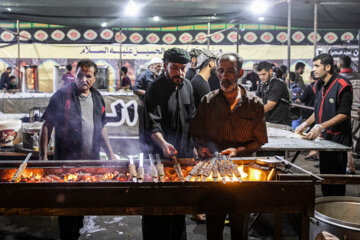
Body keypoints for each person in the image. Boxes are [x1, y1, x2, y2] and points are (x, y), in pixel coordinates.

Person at [189, 52, 268, 240]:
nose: (225, 76)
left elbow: (259, 140)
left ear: (240, 72)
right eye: (221, 71)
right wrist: (201, 147)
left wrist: (238, 150)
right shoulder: (208, 102)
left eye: (230, 71)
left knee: (240, 229)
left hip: (242, 176)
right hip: (214, 176)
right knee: (214, 228)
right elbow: (197, 133)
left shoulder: (254, 104)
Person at [40, 59, 116, 240]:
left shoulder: (98, 97)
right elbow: (47, 125)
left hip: (90, 162)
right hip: (66, 161)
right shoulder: (61, 95)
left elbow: (102, 127)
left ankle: (77, 231)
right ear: (75, 75)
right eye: (80, 75)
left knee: (82, 203)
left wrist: (111, 154)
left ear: (95, 79)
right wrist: (43, 156)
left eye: (88, 76)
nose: (83, 79)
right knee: (66, 207)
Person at [142, 48, 195, 240]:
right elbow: (153, 125)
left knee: (178, 205)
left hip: (181, 157)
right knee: (156, 208)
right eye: (175, 68)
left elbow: (192, 117)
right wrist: (164, 144)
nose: (180, 73)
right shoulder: (154, 90)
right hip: (157, 157)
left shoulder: (187, 85)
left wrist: (195, 145)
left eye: (183, 68)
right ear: (165, 66)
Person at [295, 53, 352, 196]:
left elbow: (344, 113)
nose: (313, 69)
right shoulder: (318, 85)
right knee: (325, 176)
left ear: (327, 67)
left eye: (316, 66)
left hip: (338, 139)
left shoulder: (343, 85)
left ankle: (337, 209)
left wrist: (321, 126)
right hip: (324, 139)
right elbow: (318, 110)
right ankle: (326, 204)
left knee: (336, 180)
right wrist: (306, 124)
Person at [133, 57, 163, 153]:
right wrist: (148, 93)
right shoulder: (143, 76)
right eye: (158, 66)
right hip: (143, 107)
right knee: (144, 129)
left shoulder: (159, 76)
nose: (160, 68)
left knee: (154, 128)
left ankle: (153, 149)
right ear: (151, 66)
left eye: (161, 66)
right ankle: (144, 151)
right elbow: (135, 90)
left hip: (155, 108)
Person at [337, 55, 359, 174]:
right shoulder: (358, 77)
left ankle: (350, 166)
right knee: (354, 141)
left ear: (339, 64)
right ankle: (351, 165)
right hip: (358, 113)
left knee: (347, 141)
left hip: (346, 114)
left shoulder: (339, 79)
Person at [256, 61, 291, 126]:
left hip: (280, 124)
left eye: (263, 74)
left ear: (270, 71)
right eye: (259, 75)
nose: (261, 77)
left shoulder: (278, 84)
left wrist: (253, 113)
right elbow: (257, 99)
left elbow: (270, 105)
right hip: (267, 121)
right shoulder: (261, 83)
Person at [298, 71, 318, 160]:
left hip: (309, 113)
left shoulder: (310, 87)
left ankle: (313, 152)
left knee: (312, 132)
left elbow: (302, 99)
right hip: (314, 114)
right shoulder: (319, 87)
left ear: (310, 78)